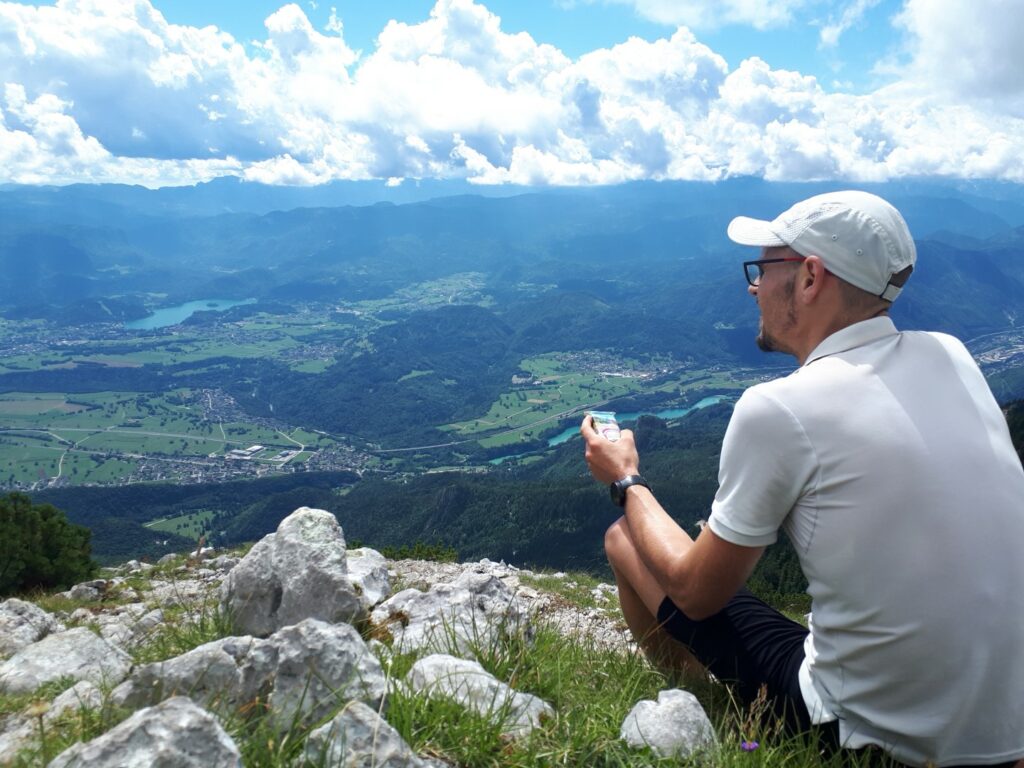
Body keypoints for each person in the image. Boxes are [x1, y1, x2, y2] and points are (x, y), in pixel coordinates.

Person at [581, 191, 1024, 768]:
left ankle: (701, 704)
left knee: (625, 538)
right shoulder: (952, 355)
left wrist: (626, 480)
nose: (753, 287)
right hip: (1008, 730)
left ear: (811, 277)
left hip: (877, 740)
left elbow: (695, 594)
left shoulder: (779, 409)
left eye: (763, 269)